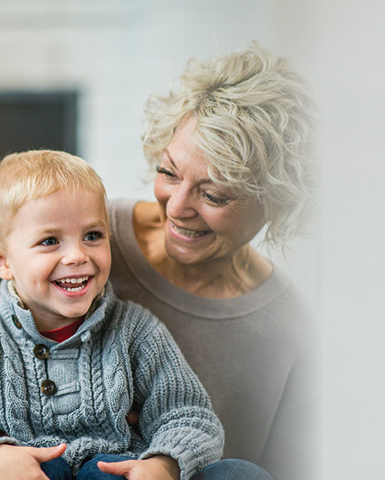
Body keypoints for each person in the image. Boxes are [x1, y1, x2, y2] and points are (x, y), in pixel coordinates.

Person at [0, 150, 269, 480]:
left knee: (241, 474)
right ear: (2, 261)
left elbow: (189, 416)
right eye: (49, 241)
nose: (77, 256)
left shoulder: (136, 330)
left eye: (92, 236)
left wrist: (163, 464)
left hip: (112, 473)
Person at [106, 43, 317, 479]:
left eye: (214, 194)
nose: (176, 207)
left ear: (276, 202)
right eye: (168, 173)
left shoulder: (289, 324)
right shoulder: (91, 238)